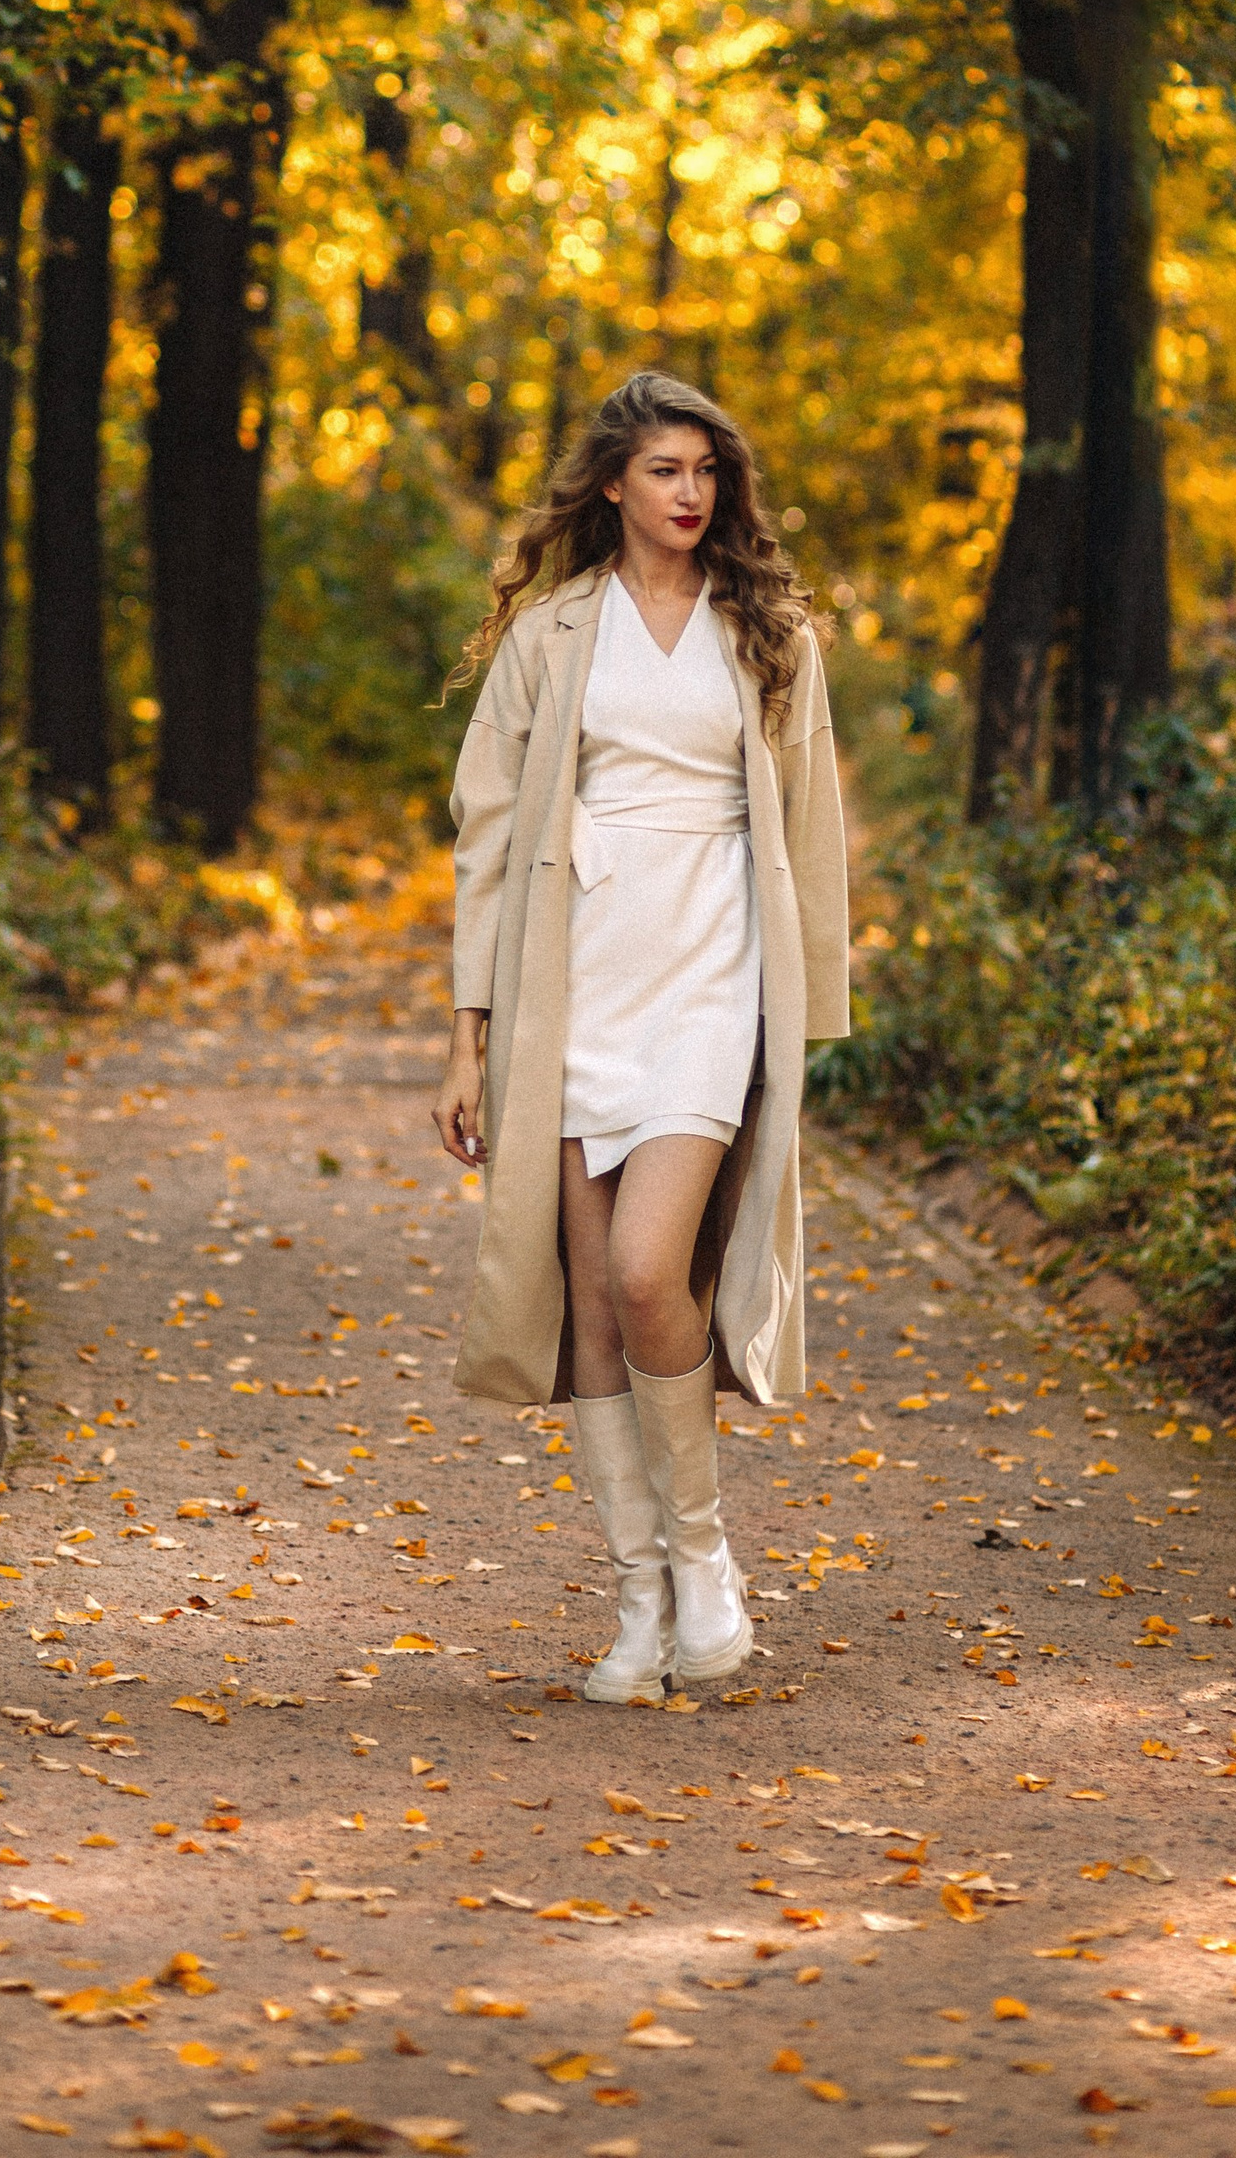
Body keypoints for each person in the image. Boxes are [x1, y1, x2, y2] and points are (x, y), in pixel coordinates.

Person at [433, 370, 849, 1700]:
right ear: (612, 484)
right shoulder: (551, 633)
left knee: (648, 1266)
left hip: (713, 971)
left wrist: (809, 1016)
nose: (689, 494)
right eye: (664, 470)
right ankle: (638, 1602)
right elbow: (487, 842)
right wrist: (469, 1039)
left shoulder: (770, 630)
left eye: (706, 472)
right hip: (575, 977)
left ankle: (708, 1564)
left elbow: (813, 828)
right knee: (594, 1311)